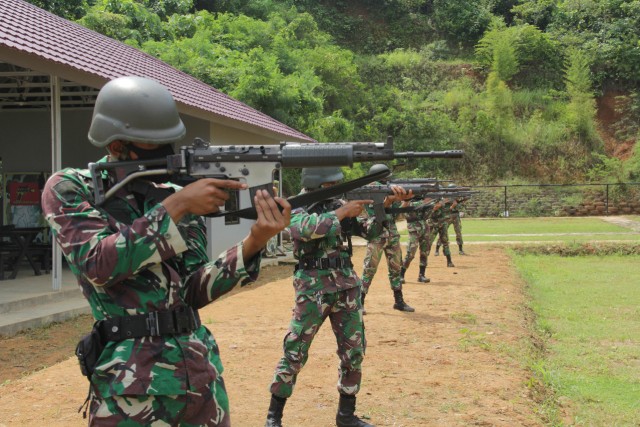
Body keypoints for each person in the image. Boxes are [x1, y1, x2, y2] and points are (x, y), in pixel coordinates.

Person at [41, 76, 291, 426]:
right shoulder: (70, 187)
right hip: (132, 387)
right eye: (150, 143)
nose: (165, 153)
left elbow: (193, 290)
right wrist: (176, 206)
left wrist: (255, 241)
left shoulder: (171, 193)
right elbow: (98, 264)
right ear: (116, 147)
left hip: (198, 375)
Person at [265, 166, 380, 427]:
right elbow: (304, 230)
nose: (335, 189)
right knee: (295, 350)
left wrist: (382, 208)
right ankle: (274, 417)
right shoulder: (296, 206)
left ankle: (346, 416)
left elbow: (372, 233)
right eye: (331, 185)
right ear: (319, 183)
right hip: (313, 289)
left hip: (347, 287)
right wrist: (342, 212)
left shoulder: (340, 205)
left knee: (354, 352)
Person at [360, 164, 414, 312]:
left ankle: (399, 301)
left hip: (392, 234)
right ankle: (360, 302)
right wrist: (389, 200)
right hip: (376, 234)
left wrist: (406, 200)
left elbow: (396, 215)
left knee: (396, 268)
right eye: (385, 180)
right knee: (369, 269)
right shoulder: (369, 191)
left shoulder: (389, 190)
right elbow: (376, 212)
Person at [400, 197, 436, 283]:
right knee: (410, 253)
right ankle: (400, 275)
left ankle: (421, 275)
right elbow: (403, 209)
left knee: (424, 252)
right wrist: (424, 202)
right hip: (414, 230)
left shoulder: (424, 202)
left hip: (424, 228)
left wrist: (433, 203)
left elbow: (428, 214)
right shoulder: (407, 201)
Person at [429, 197, 456, 267]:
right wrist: (439, 205)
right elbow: (433, 209)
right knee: (428, 243)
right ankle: (424, 261)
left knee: (445, 242)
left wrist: (451, 205)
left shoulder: (442, 201)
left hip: (442, 224)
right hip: (433, 224)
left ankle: (449, 261)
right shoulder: (430, 201)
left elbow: (446, 210)